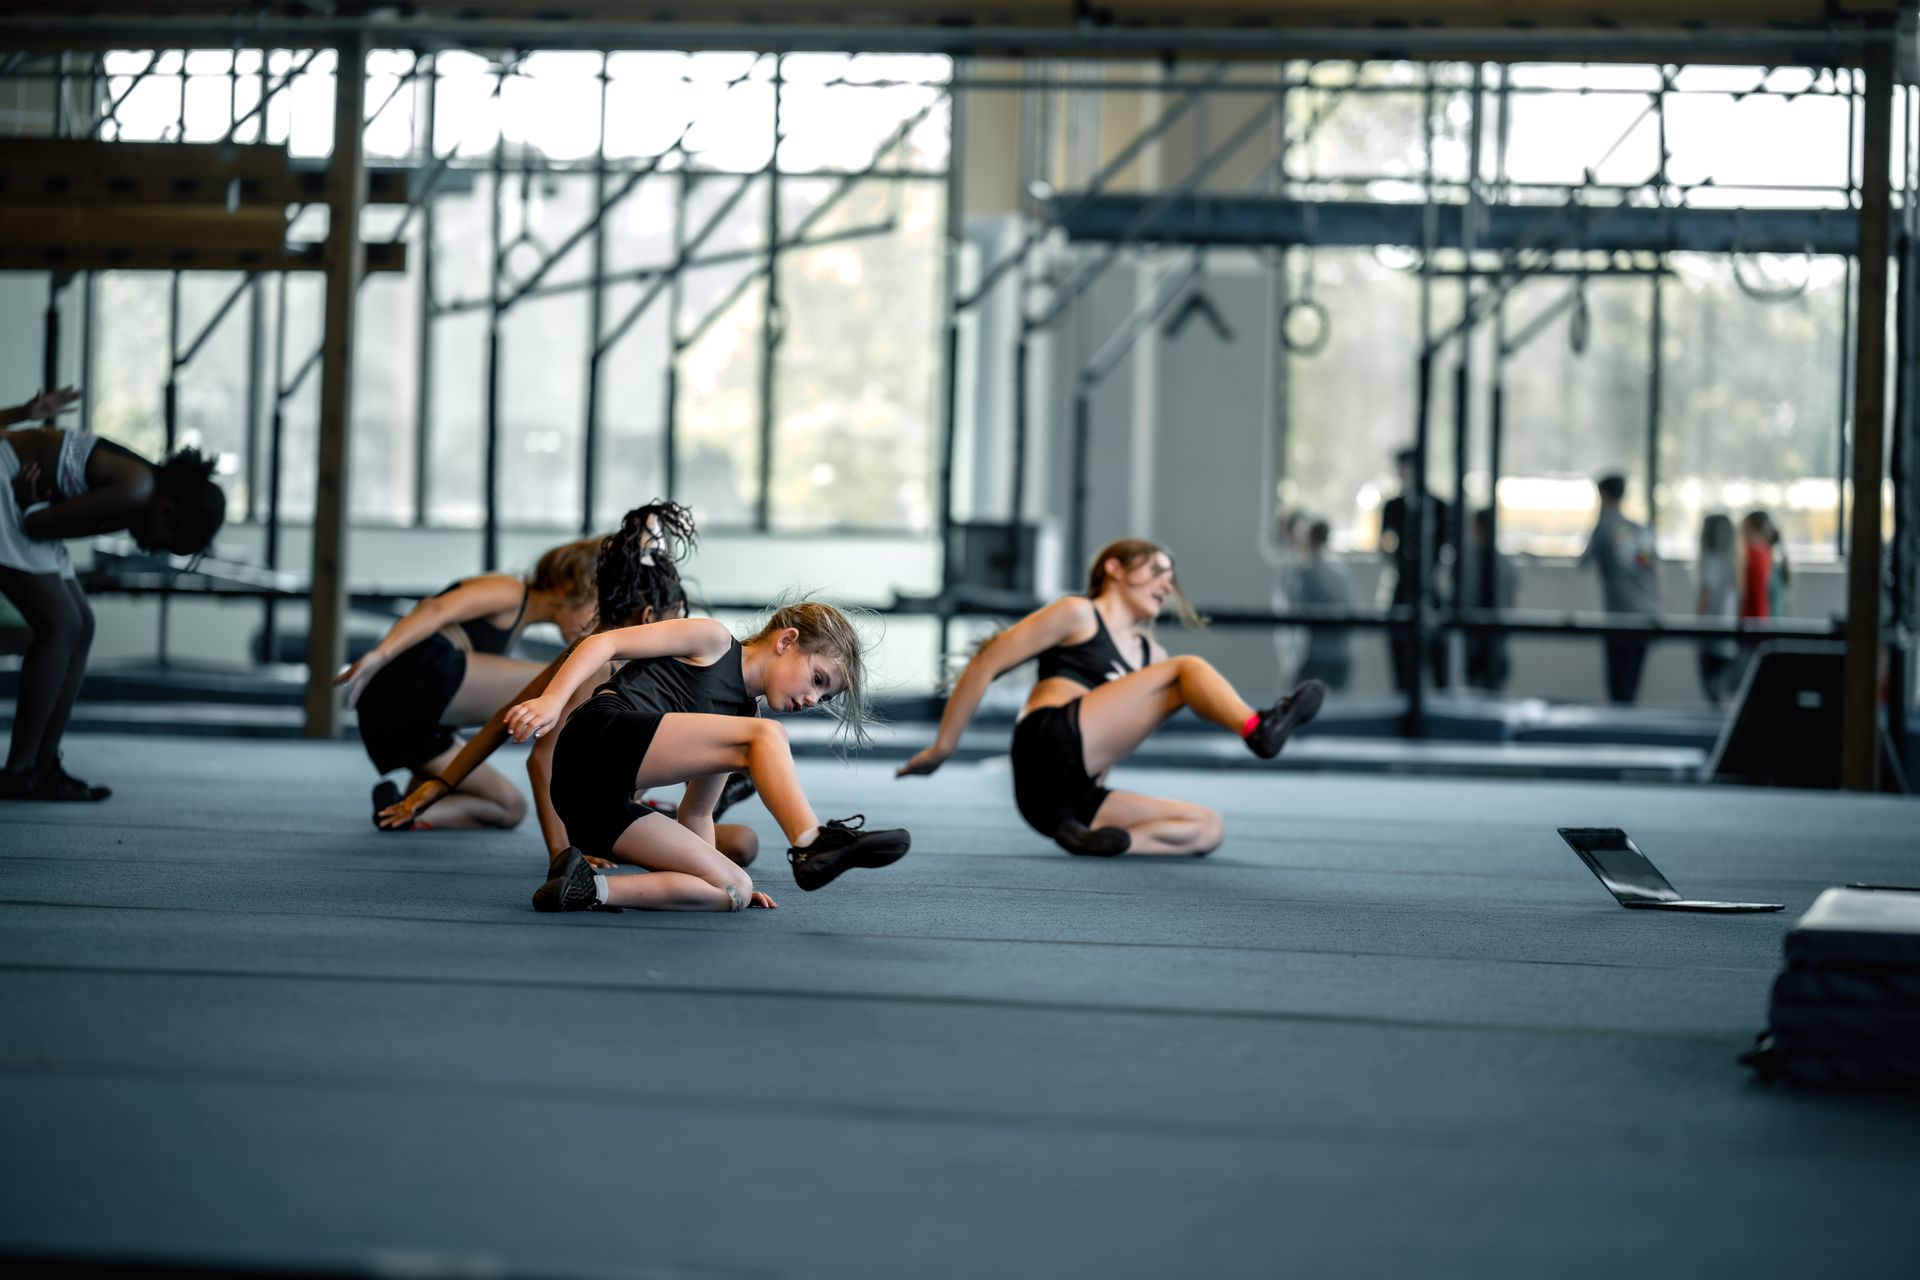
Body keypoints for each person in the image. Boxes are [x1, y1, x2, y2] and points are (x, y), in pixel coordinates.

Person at [375, 501, 759, 868]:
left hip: (624, 791)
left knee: (744, 843)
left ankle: (676, 803)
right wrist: (563, 853)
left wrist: (443, 783)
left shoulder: (634, 659)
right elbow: (539, 759)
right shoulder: (595, 662)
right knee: (735, 843)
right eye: (675, 622)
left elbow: (499, 722)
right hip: (596, 820)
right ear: (649, 617)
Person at [896, 538, 1325, 857]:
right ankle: (1259, 728)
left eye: (1170, 578)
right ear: (1115, 569)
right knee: (1188, 668)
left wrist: (1093, 795)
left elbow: (1115, 734)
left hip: (1062, 804)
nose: (1165, 584)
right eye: (1156, 570)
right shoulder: (1079, 613)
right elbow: (986, 663)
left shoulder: (1151, 655)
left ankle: (1106, 841)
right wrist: (943, 747)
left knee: (1206, 828)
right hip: (1047, 744)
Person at [505, 601, 910, 912]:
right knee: (767, 735)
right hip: (595, 741)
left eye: (824, 696)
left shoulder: (741, 724)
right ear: (785, 641)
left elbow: (696, 813)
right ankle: (812, 842)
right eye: (817, 680)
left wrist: (713, 870)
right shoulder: (712, 641)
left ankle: (585, 888)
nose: (812, 699)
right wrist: (552, 700)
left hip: (596, 810)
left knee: (733, 888)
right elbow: (604, 641)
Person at [1, 386, 226, 801]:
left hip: (23, 501)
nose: (151, 549)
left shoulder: (140, 494)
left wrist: (34, 501)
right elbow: (39, 525)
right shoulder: (136, 489)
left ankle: (44, 763)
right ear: (166, 511)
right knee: (60, 625)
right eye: (163, 543)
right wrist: (32, 500)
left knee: (82, 624)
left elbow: (54, 524)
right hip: (7, 486)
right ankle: (19, 768)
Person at [335, 533, 607, 830]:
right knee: (574, 676)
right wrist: (379, 654)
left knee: (510, 807)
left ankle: (405, 812)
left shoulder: (516, 626)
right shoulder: (511, 591)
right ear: (569, 588)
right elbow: (434, 609)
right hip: (406, 680)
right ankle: (605, 799)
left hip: (411, 728)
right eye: (596, 607)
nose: (596, 622)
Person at [1578, 474, 1660, 704]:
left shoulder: (1604, 526)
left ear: (1603, 495)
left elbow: (1584, 561)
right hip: (1646, 613)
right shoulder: (1641, 529)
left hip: (1620, 616)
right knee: (1632, 682)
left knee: (1617, 684)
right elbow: (1655, 573)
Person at [1378, 447, 1452, 694]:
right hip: (1403, 587)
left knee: (1436, 656)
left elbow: (1449, 548)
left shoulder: (1440, 506)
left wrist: (1438, 575)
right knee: (1400, 654)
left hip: (1431, 591)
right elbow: (1386, 544)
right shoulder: (1393, 507)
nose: (1401, 474)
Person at [1460, 507, 1518, 692]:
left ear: (1476, 527)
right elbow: (1512, 603)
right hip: (1498, 642)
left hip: (1474, 645)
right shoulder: (1505, 564)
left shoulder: (1466, 563)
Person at [1294, 520, 1352, 692]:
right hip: (1342, 653)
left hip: (1316, 654)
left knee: (1297, 702)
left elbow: (1298, 610)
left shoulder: (1307, 572)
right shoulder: (1341, 571)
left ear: (1310, 539)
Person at [1695, 513, 1742, 706]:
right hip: (1729, 635)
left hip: (1711, 634)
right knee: (1722, 692)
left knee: (1713, 693)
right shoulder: (1735, 562)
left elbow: (1706, 595)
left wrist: (1697, 627)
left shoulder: (1710, 560)